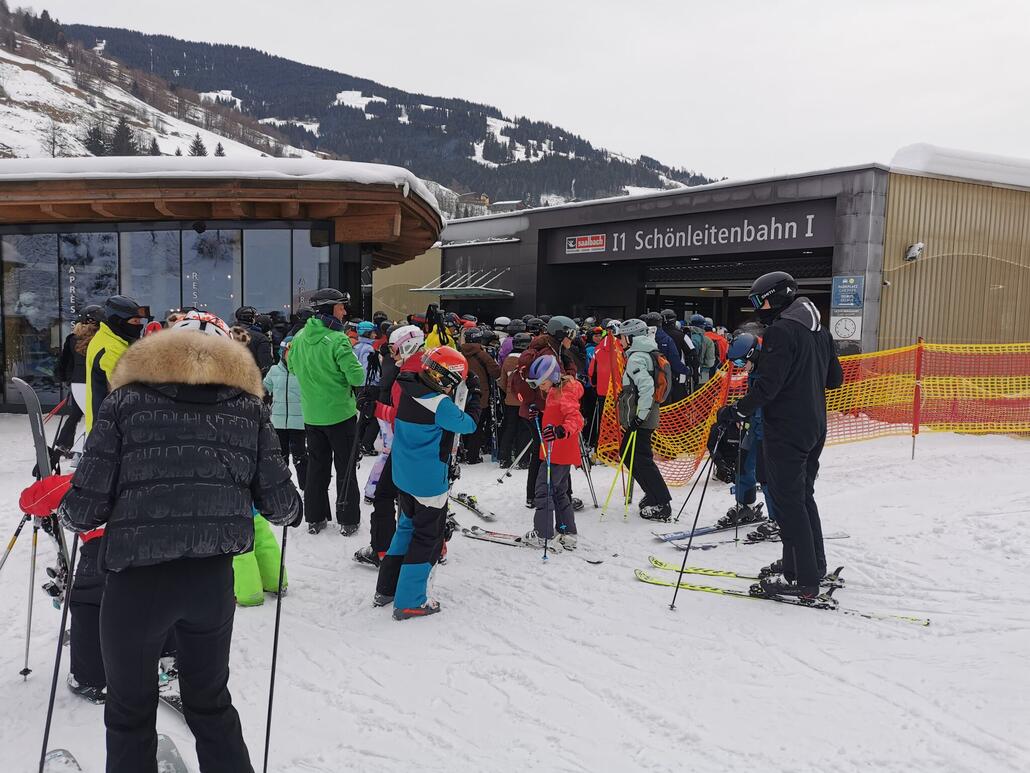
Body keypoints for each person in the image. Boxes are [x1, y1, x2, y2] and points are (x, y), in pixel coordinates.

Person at [59, 310, 300, 772]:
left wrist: (73, 509)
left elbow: (83, 508)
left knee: (130, 709)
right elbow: (282, 505)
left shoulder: (125, 402)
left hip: (136, 582)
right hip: (210, 584)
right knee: (210, 702)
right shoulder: (249, 408)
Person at [717, 271, 843, 598]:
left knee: (788, 503)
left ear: (775, 297)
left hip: (787, 428)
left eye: (760, 301)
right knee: (802, 497)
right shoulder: (820, 332)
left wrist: (735, 411)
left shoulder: (781, 332)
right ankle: (810, 566)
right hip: (814, 426)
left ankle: (801, 579)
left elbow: (767, 388)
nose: (758, 308)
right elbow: (835, 380)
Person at [375, 346, 478, 619]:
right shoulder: (438, 404)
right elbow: (468, 424)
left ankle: (387, 588)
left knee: (406, 528)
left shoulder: (406, 387)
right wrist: (475, 396)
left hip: (404, 475)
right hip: (428, 483)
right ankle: (410, 600)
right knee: (427, 538)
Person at [288, 288, 366, 536]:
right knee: (345, 468)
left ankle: (315, 517)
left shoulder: (299, 337)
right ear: (330, 308)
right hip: (340, 416)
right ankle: (348, 519)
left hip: (312, 415)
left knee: (317, 468)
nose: (344, 311)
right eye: (341, 306)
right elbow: (357, 375)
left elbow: (291, 366)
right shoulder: (338, 339)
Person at [355, 324, 426, 567]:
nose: (393, 357)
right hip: (422, 447)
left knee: (385, 496)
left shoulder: (407, 376)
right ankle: (432, 545)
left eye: (395, 351)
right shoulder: (425, 366)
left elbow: (401, 415)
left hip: (406, 447)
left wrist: (374, 407)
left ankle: (383, 549)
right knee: (420, 499)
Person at [517, 316, 582, 510]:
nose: (573, 339)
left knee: (543, 452)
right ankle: (554, 496)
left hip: (537, 409)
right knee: (550, 453)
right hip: (545, 411)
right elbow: (556, 385)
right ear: (562, 334)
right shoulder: (550, 353)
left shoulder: (550, 349)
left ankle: (538, 496)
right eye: (570, 335)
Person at [522, 355, 584, 549]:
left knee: (543, 491)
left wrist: (560, 431)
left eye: (543, 382)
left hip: (558, 452)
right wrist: (539, 415)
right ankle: (566, 530)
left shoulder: (564, 393)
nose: (541, 387)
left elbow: (576, 419)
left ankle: (543, 534)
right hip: (556, 451)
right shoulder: (556, 390)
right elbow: (556, 415)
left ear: (555, 375)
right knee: (558, 492)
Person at [616, 318, 673, 520]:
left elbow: (646, 388)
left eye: (622, 337)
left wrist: (639, 417)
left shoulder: (637, 358)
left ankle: (661, 502)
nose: (620, 341)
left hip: (642, 416)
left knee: (642, 459)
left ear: (631, 337)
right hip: (643, 415)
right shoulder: (645, 353)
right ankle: (653, 495)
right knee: (630, 454)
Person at [53, 305, 104, 458]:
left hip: (77, 383)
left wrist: (68, 380)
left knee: (77, 414)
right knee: (94, 416)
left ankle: (63, 446)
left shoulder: (72, 338)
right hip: (92, 382)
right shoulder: (100, 338)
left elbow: (64, 362)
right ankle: (79, 450)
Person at [263, 336, 307, 491]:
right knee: (280, 458)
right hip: (278, 422)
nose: (292, 355)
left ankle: (306, 489)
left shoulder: (304, 371)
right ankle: (282, 489)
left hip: (299, 422)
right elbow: (263, 389)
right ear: (283, 353)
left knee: (300, 457)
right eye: (289, 351)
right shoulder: (274, 370)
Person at [460, 327, 501, 464]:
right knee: (476, 425)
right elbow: (496, 371)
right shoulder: (481, 354)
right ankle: (473, 455)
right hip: (479, 394)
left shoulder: (458, 352)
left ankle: (462, 451)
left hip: (461, 394)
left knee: (462, 423)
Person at [498, 332, 532, 468]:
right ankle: (523, 459)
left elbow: (502, 382)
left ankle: (504, 458)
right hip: (525, 400)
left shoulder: (508, 359)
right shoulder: (529, 360)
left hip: (510, 401)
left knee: (509, 428)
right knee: (524, 429)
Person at [353, 320, 382, 456]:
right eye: (372, 332)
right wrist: (378, 381)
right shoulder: (368, 349)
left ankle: (358, 441)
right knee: (374, 416)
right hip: (370, 386)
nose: (375, 335)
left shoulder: (356, 347)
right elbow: (369, 370)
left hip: (360, 386)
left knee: (364, 415)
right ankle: (366, 444)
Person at [661, 309, 699, 396]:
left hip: (659, 373)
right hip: (679, 374)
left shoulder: (656, 335)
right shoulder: (682, 336)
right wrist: (694, 373)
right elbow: (693, 354)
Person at [234, 306, 274, 375]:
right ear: (250, 318)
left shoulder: (228, 332)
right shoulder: (261, 338)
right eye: (254, 316)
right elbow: (266, 365)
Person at [687, 314, 716, 386]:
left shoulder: (684, 337)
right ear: (703, 326)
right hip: (703, 376)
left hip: (686, 374)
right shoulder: (708, 341)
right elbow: (710, 362)